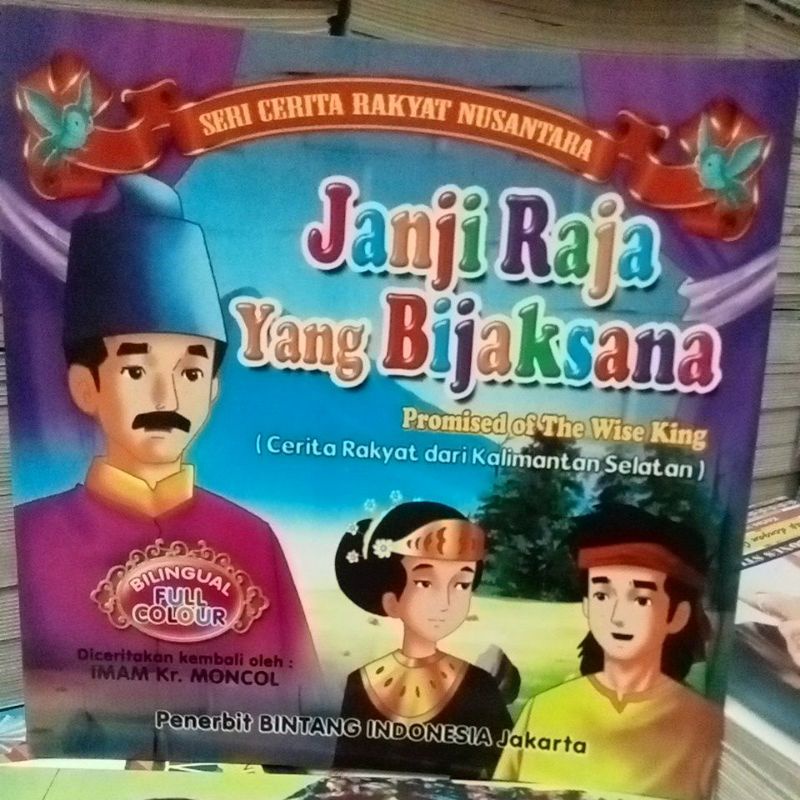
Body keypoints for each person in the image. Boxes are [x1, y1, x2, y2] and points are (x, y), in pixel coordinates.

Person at [14, 175, 319, 763]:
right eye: (136, 371)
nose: (167, 397)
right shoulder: (28, 537)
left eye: (191, 372)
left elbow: (301, 727)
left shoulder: (253, 540)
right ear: (85, 386)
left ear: (214, 390)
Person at [494, 503, 723, 800]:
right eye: (602, 595)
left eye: (641, 600)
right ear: (587, 605)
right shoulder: (542, 710)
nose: (617, 616)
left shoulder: (706, 727)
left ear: (677, 616)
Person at [332, 500, 512, 779]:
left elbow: (505, 771)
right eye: (425, 583)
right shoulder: (360, 683)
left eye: (461, 584)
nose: (446, 602)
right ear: (391, 601)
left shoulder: (479, 684)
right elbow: (346, 774)